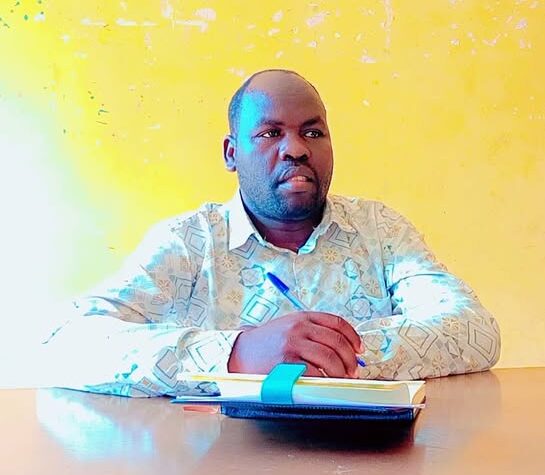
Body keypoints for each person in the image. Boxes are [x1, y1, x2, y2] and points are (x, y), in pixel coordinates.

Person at [43, 69, 500, 397]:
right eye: (270, 133)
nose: (296, 149)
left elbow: (475, 331)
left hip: (369, 459)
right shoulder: (189, 243)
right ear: (231, 153)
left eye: (313, 133)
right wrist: (238, 354)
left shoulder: (380, 229)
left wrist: (330, 353)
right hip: (222, 459)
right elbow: (64, 345)